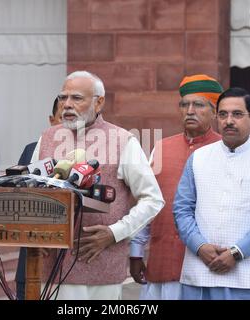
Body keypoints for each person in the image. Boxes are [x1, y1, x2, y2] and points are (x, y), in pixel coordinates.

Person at [32, 70, 165, 299]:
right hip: (50, 267)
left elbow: (153, 199)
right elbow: (32, 191)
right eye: (63, 98)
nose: (67, 105)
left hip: (100, 268)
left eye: (76, 98)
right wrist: (34, 231)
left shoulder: (123, 141)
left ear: (99, 102)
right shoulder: (47, 138)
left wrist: (114, 233)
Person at [173, 87, 250, 300]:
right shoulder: (198, 158)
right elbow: (182, 209)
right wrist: (200, 246)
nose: (229, 121)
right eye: (223, 114)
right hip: (200, 273)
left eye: (237, 114)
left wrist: (236, 253)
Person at [129, 74, 223, 299]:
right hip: (162, 260)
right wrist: (135, 253)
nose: (189, 110)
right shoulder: (161, 148)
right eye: (184, 104)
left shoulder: (225, 149)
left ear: (214, 111)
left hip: (207, 267)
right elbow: (147, 203)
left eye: (198, 105)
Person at [15, 97, 62, 300]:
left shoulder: (94, 154)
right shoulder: (31, 150)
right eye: (63, 117)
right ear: (52, 120)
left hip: (73, 268)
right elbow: (16, 199)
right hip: (32, 261)